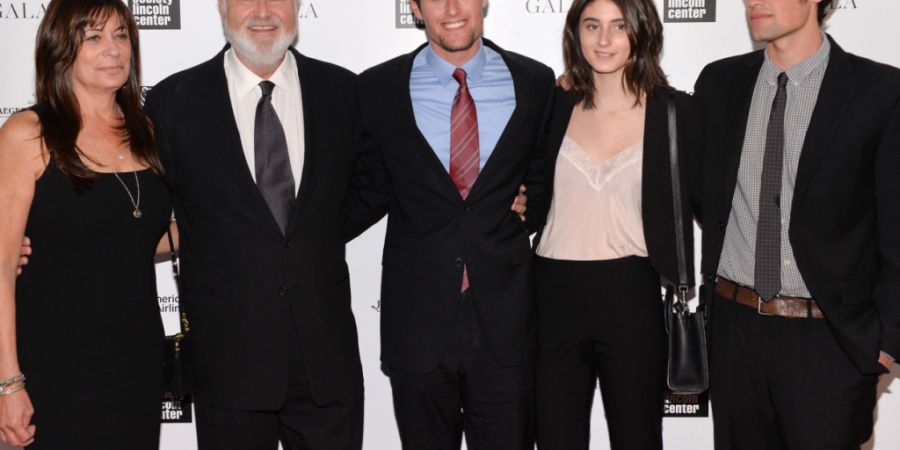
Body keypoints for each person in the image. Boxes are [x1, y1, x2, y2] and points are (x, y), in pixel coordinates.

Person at [142, 0, 365, 448]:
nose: (264, 11)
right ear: (223, 7)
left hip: (326, 359)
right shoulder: (174, 101)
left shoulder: (343, 91)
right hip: (228, 362)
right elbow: (140, 210)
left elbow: (375, 185)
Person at [347, 0, 554, 448]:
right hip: (417, 323)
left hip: (507, 321)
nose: (453, 8)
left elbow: (545, 179)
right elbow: (365, 189)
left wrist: (529, 207)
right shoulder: (378, 89)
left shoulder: (535, 82)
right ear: (415, 8)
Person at [694, 1, 900, 449]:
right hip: (735, 331)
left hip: (829, 340)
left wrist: (886, 343)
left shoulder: (880, 91)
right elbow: (688, 184)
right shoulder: (719, 82)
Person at [529, 0, 703, 449]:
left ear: (641, 32)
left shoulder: (675, 113)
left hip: (632, 294)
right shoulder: (551, 104)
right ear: (576, 34)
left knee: (638, 438)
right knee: (553, 439)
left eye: (618, 26)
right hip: (550, 294)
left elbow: (710, 200)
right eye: (592, 26)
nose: (604, 40)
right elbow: (522, 183)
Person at [0, 0, 171, 448]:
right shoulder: (28, 134)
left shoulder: (148, 132)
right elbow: (0, 269)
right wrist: (8, 383)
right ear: (62, 49)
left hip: (137, 361)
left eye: (120, 36)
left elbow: (131, 239)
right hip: (55, 366)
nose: (113, 50)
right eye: (93, 37)